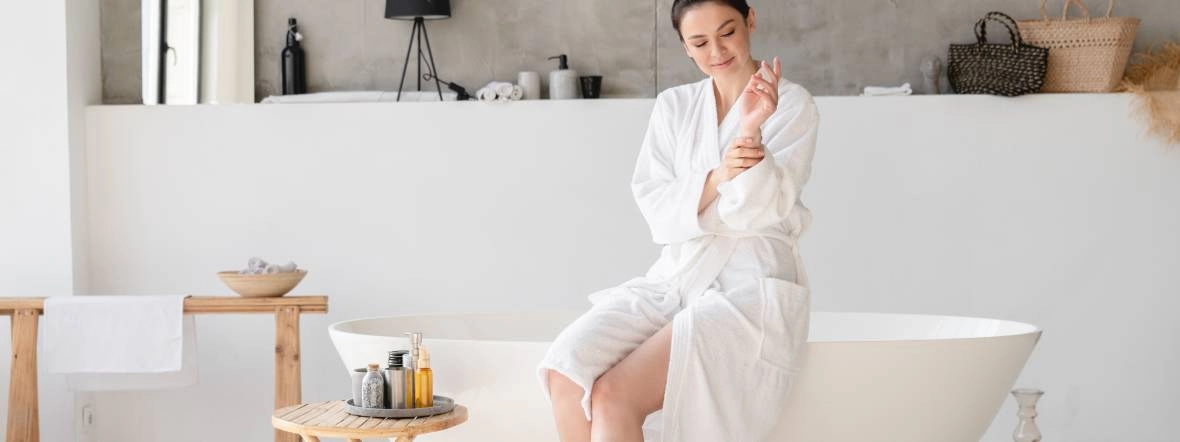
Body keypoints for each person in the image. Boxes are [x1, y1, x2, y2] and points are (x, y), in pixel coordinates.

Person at [536, 1, 820, 440]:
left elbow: (757, 211)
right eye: (699, 42)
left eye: (727, 32)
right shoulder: (674, 106)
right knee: (565, 372)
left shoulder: (792, 104)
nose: (716, 51)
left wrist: (749, 130)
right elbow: (656, 208)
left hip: (748, 285)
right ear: (685, 47)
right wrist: (718, 178)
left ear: (750, 20)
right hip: (676, 277)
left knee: (614, 395)